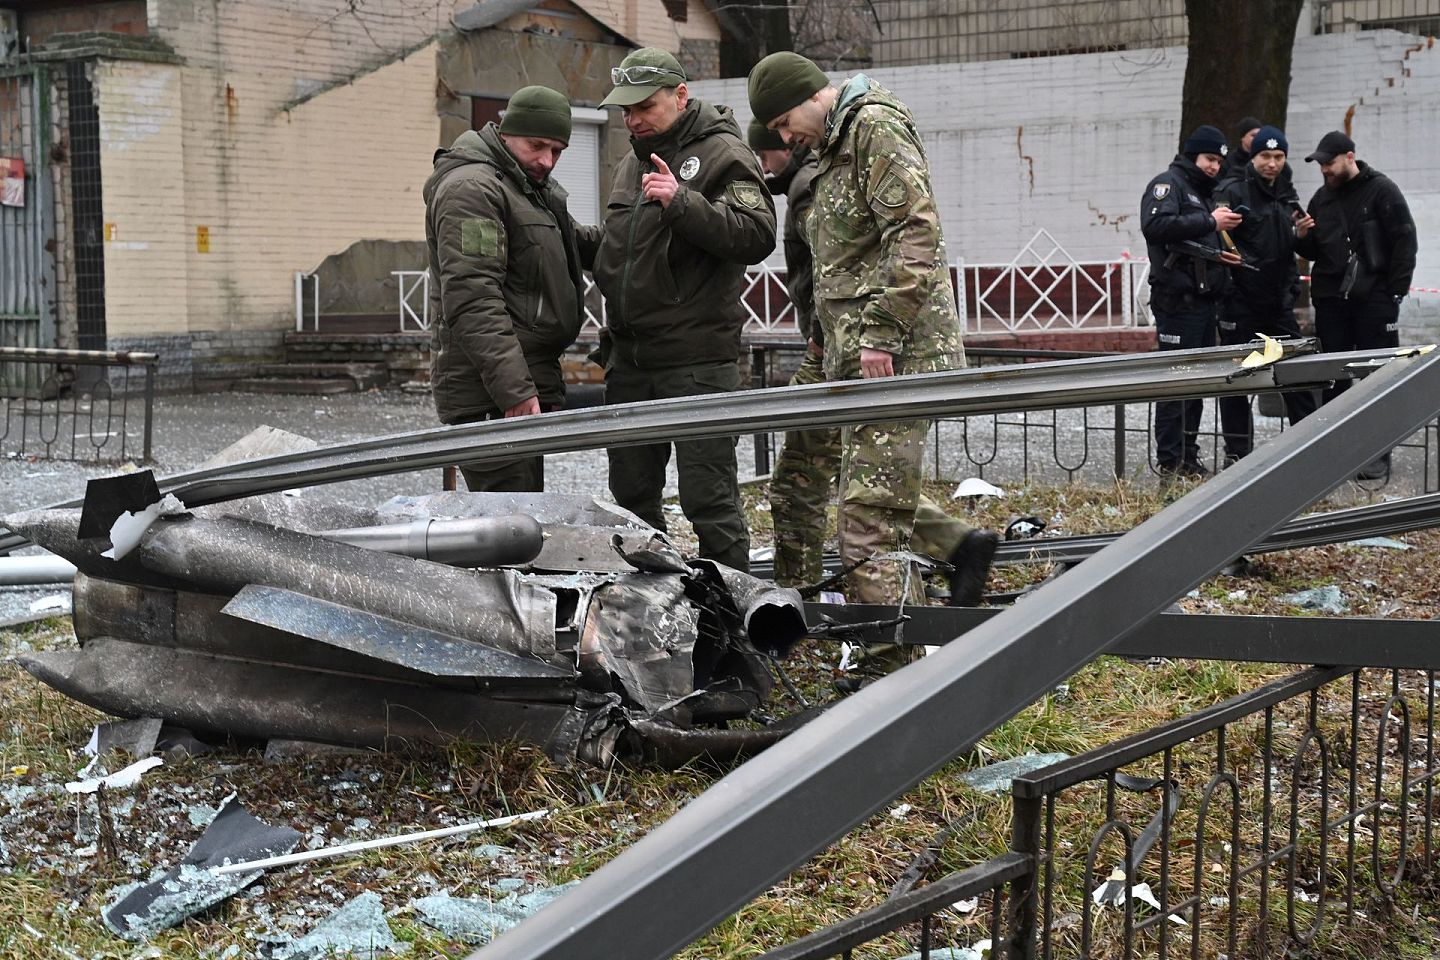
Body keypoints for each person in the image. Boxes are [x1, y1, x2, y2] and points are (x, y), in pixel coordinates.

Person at [747, 51, 998, 607]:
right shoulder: (839, 143)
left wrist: (882, 333)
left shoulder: (872, 127)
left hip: (894, 354)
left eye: (785, 123)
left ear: (808, 97)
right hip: (857, 354)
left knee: (868, 520)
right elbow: (848, 258)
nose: (786, 138)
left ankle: (894, 665)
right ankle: (897, 640)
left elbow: (915, 229)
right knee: (867, 504)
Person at [586, 48, 776, 572]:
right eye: (625, 110)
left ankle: (734, 623)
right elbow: (622, 250)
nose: (634, 119)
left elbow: (758, 234)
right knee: (631, 503)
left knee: (708, 501)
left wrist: (682, 201)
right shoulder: (632, 161)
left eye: (644, 106)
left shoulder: (722, 152)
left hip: (695, 362)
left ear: (681, 95)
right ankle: (654, 612)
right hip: (630, 363)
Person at [424, 85, 587, 491]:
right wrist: (514, 390)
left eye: (557, 151)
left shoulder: (524, 187)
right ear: (506, 130)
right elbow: (474, 298)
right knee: (508, 528)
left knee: (524, 524)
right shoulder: (473, 190)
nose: (546, 160)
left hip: (519, 390)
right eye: (537, 145)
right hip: (492, 398)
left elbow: (583, 243)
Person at [1295, 130, 1418, 480]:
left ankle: (1376, 453)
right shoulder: (1322, 198)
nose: (1324, 170)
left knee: (1376, 378)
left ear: (1349, 157)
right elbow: (1314, 251)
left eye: (1329, 163)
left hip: (1373, 302)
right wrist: (1301, 237)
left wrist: (1394, 294)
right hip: (1332, 301)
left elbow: (1404, 241)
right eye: (1320, 165)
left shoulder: (1382, 190)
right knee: (1334, 378)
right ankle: (1336, 452)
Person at [1140, 124, 1244, 478]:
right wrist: (1210, 222)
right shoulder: (1168, 185)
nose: (1214, 166)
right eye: (1209, 158)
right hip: (1177, 302)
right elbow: (1156, 227)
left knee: (1196, 385)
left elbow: (1197, 239)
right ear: (1192, 155)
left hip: (1202, 302)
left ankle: (1188, 456)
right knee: (1175, 384)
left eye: (1218, 161)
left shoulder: (1202, 192)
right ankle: (1170, 462)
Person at [1214, 125, 1316, 463]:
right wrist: (1232, 287)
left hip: (1277, 302)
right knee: (1237, 380)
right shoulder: (1234, 191)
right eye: (1265, 156)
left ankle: (1306, 444)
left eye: (1278, 156)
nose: (1272, 163)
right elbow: (1218, 243)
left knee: (1297, 372)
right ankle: (1238, 453)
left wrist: (1301, 236)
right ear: (1253, 157)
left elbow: (1297, 246)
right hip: (1241, 304)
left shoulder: (1286, 196)